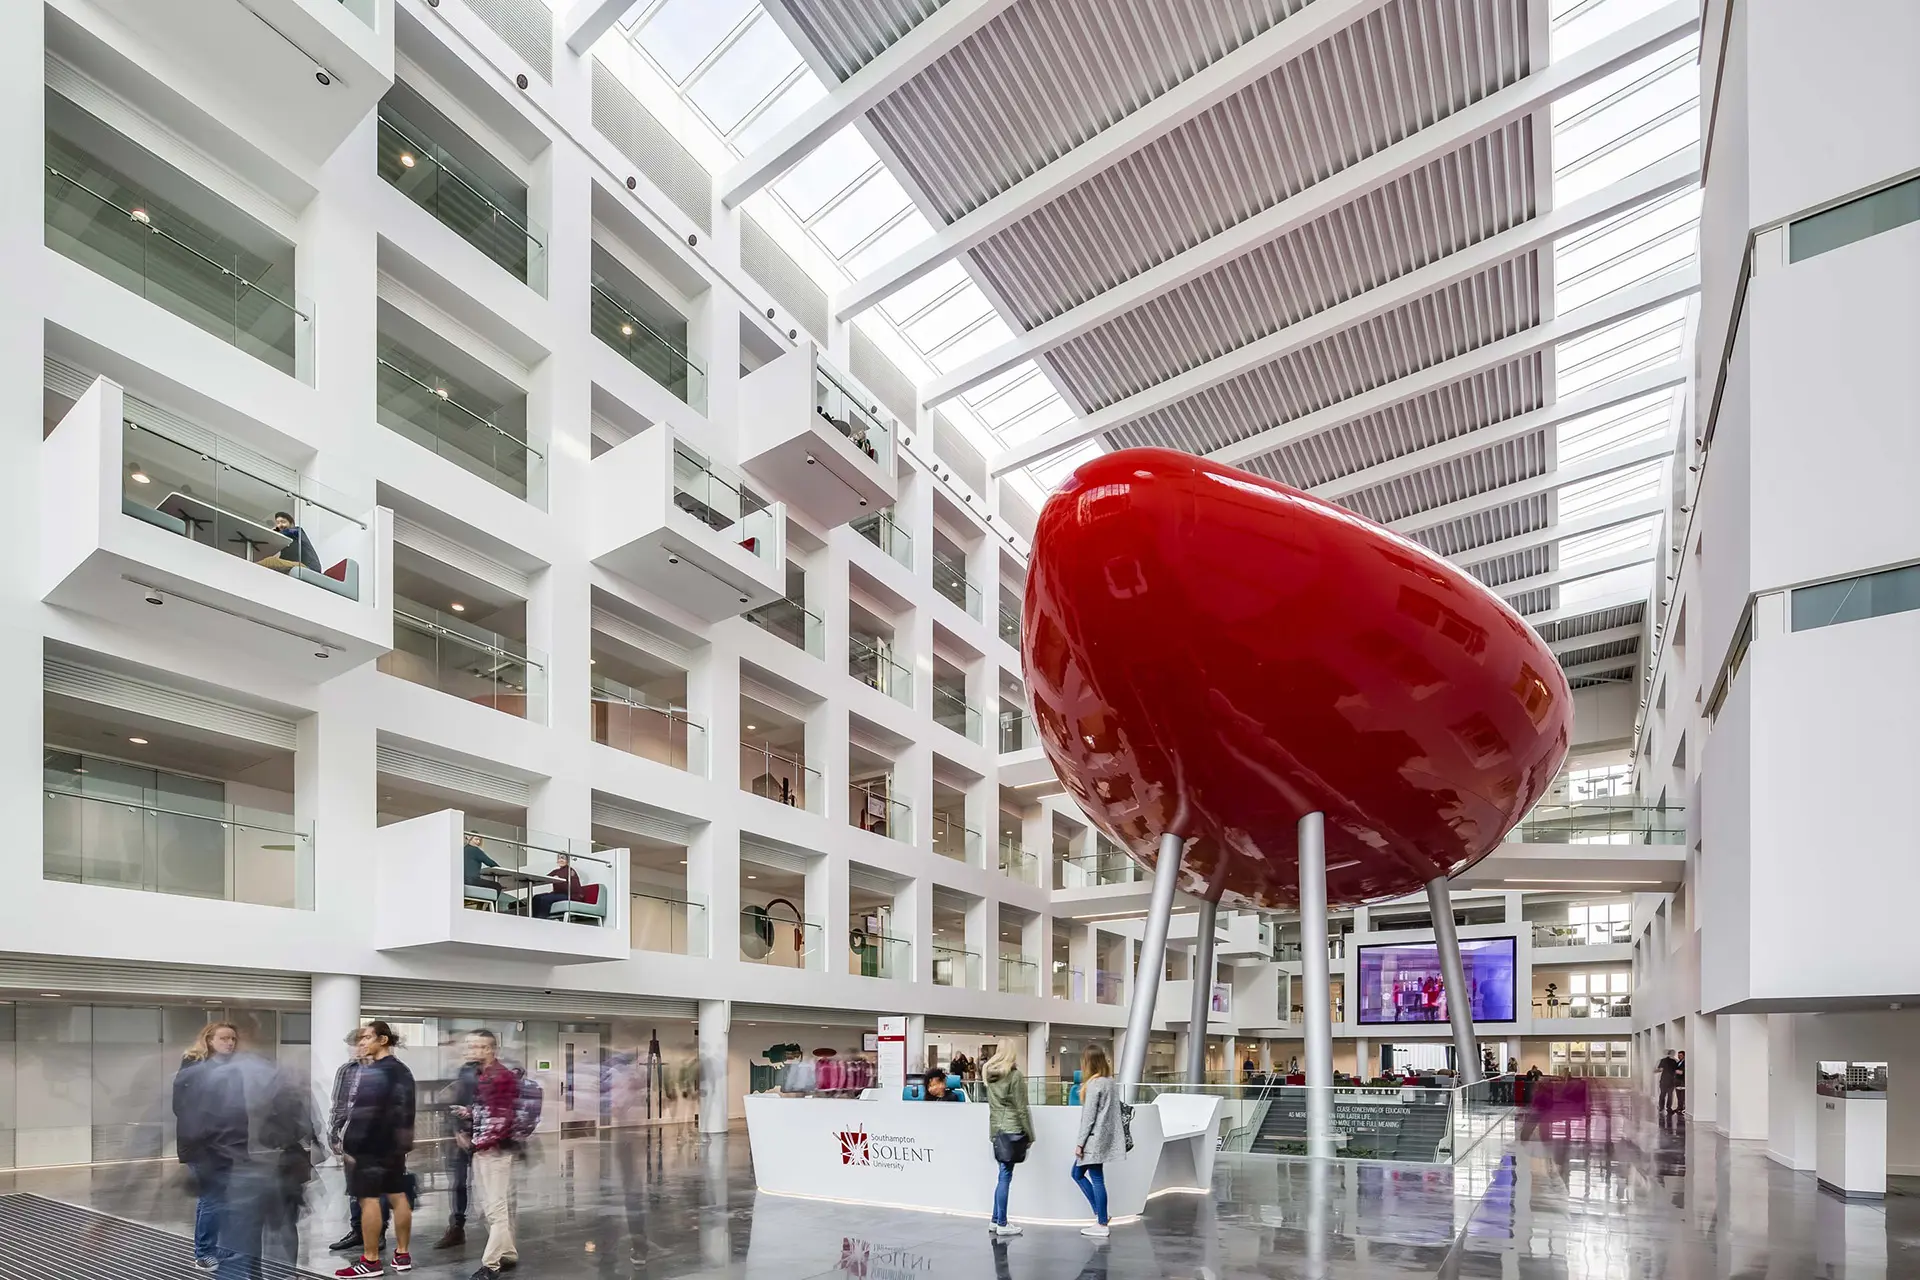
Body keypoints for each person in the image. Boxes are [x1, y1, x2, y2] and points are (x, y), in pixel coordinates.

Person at [334, 1021, 416, 1278]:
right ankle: (402, 1254)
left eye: (367, 1037)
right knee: (397, 1195)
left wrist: (350, 1146)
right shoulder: (402, 1070)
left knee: (368, 1200)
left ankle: (370, 1261)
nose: (362, 1043)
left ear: (383, 1040)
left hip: (370, 1147)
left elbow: (364, 1113)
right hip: (394, 1147)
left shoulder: (375, 1071)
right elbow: (406, 1111)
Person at [173, 1022, 241, 1272]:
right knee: (212, 1198)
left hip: (227, 1144)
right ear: (209, 1040)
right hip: (203, 1145)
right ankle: (203, 1252)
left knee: (220, 1197)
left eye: (233, 1039)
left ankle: (213, 1246)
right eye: (224, 1038)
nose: (230, 1043)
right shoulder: (193, 1066)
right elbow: (182, 1106)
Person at [461, 1029, 523, 1279]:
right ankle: (508, 1253)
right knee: (487, 1208)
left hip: (495, 1151)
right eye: (470, 1046)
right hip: (483, 1149)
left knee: (495, 1209)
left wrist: (479, 1142)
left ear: (489, 1049)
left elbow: (503, 1119)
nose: (470, 1051)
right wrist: (468, 1114)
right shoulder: (482, 1075)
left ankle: (491, 1264)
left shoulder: (501, 1077)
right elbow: (487, 1111)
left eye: (476, 1047)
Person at [434, 1035, 487, 1250]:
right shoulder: (464, 1071)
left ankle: (497, 1235)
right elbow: (456, 1101)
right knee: (458, 1184)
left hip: (486, 1137)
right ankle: (456, 1227)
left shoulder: (496, 1073)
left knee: (487, 1186)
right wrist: (457, 1131)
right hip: (463, 1137)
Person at [1070, 1046, 1123, 1239]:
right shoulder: (1109, 1082)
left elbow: (1088, 1118)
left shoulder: (1094, 1085)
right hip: (1104, 1138)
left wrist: (1080, 1144)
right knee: (1081, 1174)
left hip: (1093, 1139)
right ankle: (1102, 1216)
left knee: (1090, 1177)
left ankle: (1101, 1222)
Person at [983, 1043, 1034, 1237]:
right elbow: (1021, 1108)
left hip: (996, 1130)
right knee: (1005, 1176)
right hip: (1012, 1129)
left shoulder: (990, 1076)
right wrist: (1030, 1134)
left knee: (1002, 1174)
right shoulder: (1014, 1076)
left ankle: (996, 1220)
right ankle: (1003, 1223)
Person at [258, 511, 323, 573]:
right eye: (278, 523)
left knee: (270, 561)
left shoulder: (297, 531)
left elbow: (287, 532)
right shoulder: (286, 544)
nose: (280, 525)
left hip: (310, 567)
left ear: (292, 524)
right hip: (297, 566)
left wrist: (274, 531)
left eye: (283, 522)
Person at [531, 852, 584, 920]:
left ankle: (542, 919)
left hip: (570, 895)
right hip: (559, 893)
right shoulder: (556, 871)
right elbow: (545, 878)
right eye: (559, 858)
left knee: (545, 899)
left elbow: (572, 888)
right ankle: (534, 919)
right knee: (536, 897)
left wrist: (559, 880)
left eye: (563, 858)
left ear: (567, 860)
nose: (561, 860)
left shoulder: (570, 871)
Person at [1656, 1048, 1680, 1116]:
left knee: (1662, 1094)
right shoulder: (1675, 1061)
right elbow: (1677, 1071)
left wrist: (1655, 1070)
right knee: (1670, 1095)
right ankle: (1668, 1108)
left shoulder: (1663, 1060)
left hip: (1664, 1080)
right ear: (1673, 1054)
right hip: (1671, 1080)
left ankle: (1661, 1107)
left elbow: (1660, 1069)